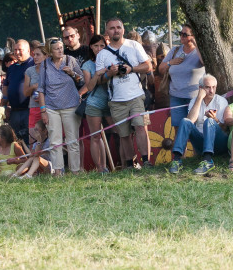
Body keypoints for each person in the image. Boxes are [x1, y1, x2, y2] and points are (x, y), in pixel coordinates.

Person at [95, 18, 153, 168]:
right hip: (116, 100)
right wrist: (110, 73)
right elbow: (99, 79)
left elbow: (148, 66)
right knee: (124, 134)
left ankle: (146, 161)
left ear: (123, 29)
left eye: (118, 27)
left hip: (136, 96)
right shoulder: (102, 54)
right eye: (112, 28)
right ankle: (129, 164)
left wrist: (130, 69)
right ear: (107, 32)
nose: (116, 30)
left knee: (140, 128)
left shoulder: (134, 45)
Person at [39, 36, 85, 175]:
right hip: (52, 107)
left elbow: (81, 80)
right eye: (56, 49)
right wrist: (43, 111)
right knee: (55, 141)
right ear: (50, 51)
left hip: (70, 105)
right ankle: (58, 171)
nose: (60, 50)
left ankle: (75, 171)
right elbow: (41, 89)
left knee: (72, 140)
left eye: (61, 47)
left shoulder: (70, 60)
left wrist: (72, 73)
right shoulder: (45, 64)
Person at [167, 74, 229, 175]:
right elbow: (190, 120)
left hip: (218, 142)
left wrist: (214, 119)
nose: (211, 91)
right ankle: (177, 160)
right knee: (184, 121)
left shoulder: (221, 101)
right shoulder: (194, 101)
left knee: (209, 122)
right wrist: (199, 98)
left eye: (214, 87)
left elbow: (225, 128)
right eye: (208, 87)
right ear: (201, 88)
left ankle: (208, 161)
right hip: (201, 142)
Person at [158, 24, 205, 129]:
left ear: (193, 36)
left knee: (195, 128)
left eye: (185, 34)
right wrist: (171, 62)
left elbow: (204, 62)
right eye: (181, 33)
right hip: (176, 96)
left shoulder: (198, 51)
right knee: (178, 130)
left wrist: (196, 45)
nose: (182, 36)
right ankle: (181, 146)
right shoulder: (175, 50)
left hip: (194, 98)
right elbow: (160, 69)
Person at [80, 35, 112, 172]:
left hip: (112, 101)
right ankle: (101, 168)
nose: (99, 49)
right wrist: (97, 74)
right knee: (95, 136)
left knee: (120, 131)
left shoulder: (111, 60)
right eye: (96, 46)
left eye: (102, 46)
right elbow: (90, 87)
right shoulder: (87, 65)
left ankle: (126, 163)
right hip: (94, 103)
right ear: (91, 47)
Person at [5, 40, 33, 141]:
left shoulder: (34, 64)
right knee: (15, 141)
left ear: (28, 50)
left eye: (20, 50)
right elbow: (6, 87)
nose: (16, 52)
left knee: (29, 140)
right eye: (15, 50)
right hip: (14, 111)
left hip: (29, 110)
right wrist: (5, 106)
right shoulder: (11, 68)